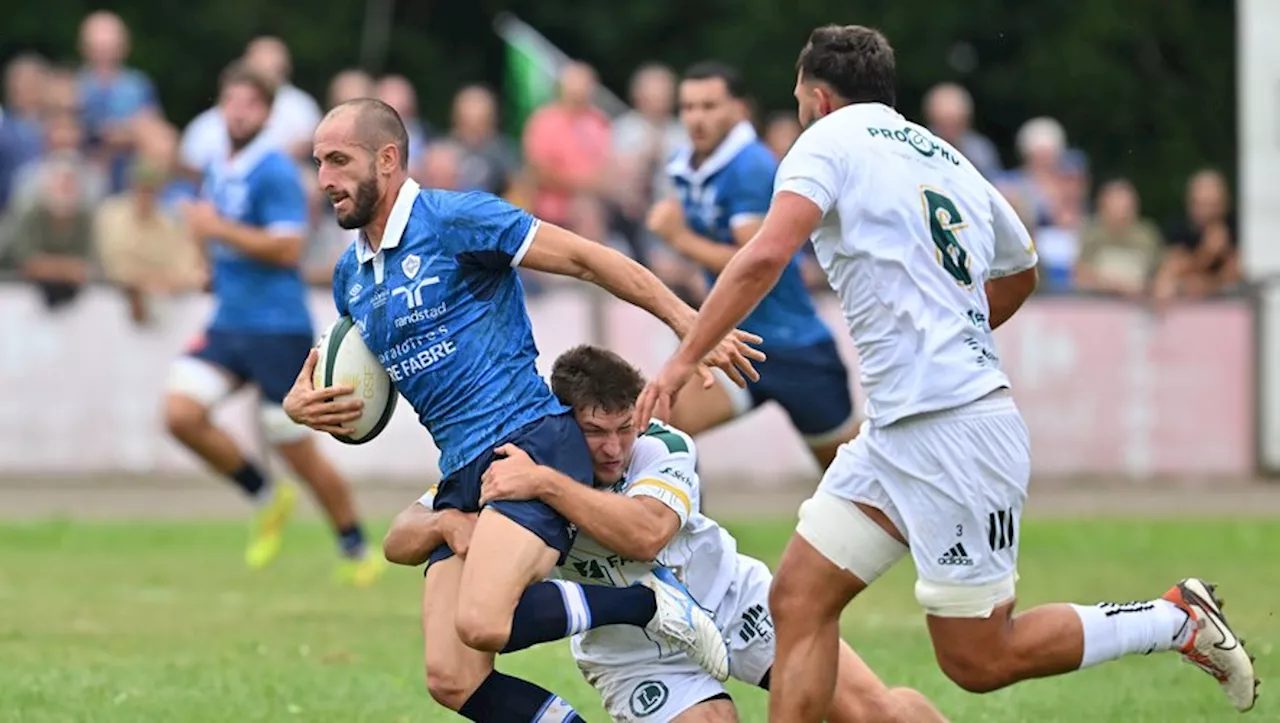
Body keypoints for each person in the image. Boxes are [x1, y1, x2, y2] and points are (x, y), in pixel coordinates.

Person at [635, 25, 1259, 722]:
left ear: (816, 96)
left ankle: (1175, 618)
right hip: (899, 431)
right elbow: (1019, 270)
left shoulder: (825, 141)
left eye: (798, 97)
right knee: (798, 599)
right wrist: (950, 328)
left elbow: (761, 256)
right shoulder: (948, 158)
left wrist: (683, 357)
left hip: (954, 431)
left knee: (979, 660)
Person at [283, 98, 763, 722]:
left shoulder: (456, 219)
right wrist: (303, 404)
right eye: (320, 163)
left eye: (339, 161)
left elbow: (590, 259)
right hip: (462, 469)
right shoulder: (352, 275)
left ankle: (647, 605)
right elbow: (356, 379)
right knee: (451, 677)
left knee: (484, 621)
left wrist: (690, 324)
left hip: (527, 438)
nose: (325, 179)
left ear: (388, 159)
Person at [384, 344, 949, 723]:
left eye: (622, 427)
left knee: (875, 713)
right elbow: (399, 538)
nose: (613, 447)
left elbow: (648, 533)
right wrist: (446, 519)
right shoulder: (521, 460)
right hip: (632, 652)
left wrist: (549, 486)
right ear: (559, 423)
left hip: (730, 601)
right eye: (593, 432)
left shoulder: (661, 446)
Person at [163, 62, 382, 586]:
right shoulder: (222, 163)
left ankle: (355, 547)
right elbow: (216, 231)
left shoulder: (275, 171)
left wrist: (218, 230)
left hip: (276, 329)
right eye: (231, 103)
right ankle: (265, 495)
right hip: (229, 322)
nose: (238, 112)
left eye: (250, 104)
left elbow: (286, 247)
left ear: (265, 112)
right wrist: (207, 263)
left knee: (298, 451)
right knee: (179, 414)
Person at [646, 61, 857, 468]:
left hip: (797, 348)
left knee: (852, 479)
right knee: (658, 430)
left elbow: (758, 261)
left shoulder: (750, 166)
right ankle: (675, 528)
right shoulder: (689, 164)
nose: (695, 117)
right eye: (688, 107)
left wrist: (679, 239)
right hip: (736, 343)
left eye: (709, 106)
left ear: (740, 110)